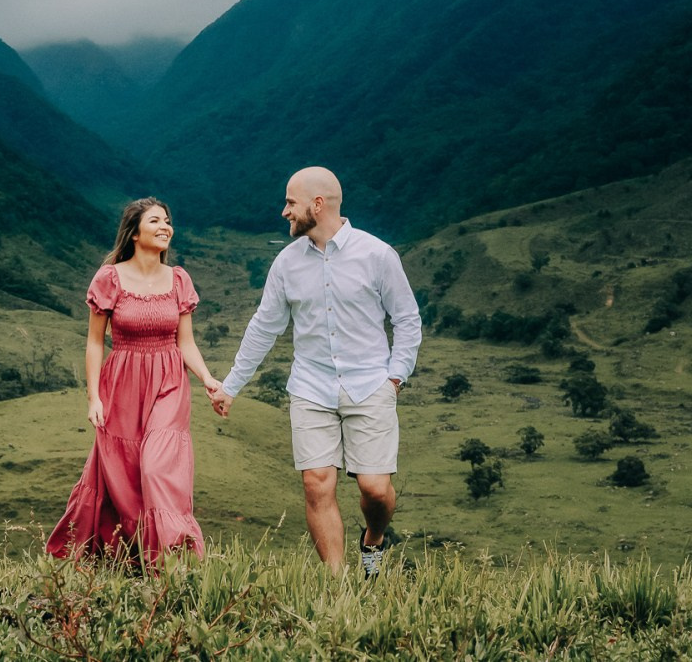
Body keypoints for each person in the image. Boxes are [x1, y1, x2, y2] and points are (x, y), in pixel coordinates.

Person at [210, 167, 422, 576]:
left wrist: (395, 377)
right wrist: (231, 386)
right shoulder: (286, 264)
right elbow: (264, 327)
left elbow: (407, 319)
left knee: (375, 491)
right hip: (311, 387)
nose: (284, 211)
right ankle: (338, 585)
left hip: (370, 384)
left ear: (317, 204)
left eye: (291, 202)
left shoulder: (377, 254)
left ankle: (373, 541)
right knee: (317, 484)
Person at [47, 197, 219, 564]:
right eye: (155, 220)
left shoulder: (178, 279)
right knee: (124, 473)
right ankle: (127, 554)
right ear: (135, 232)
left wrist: (206, 378)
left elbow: (185, 342)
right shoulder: (110, 277)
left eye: (168, 221)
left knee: (158, 466)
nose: (165, 227)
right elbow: (95, 342)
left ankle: (172, 558)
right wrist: (93, 397)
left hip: (169, 381)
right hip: (122, 382)